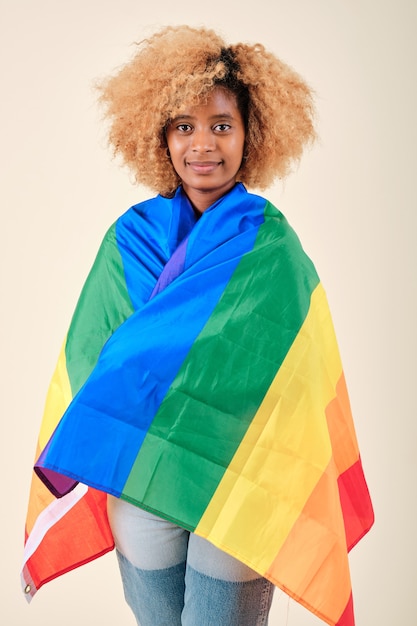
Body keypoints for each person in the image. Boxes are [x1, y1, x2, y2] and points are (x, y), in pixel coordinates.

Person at [22, 25, 374, 626]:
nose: (203, 144)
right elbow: (93, 361)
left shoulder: (271, 245)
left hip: (241, 480)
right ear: (160, 136)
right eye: (184, 126)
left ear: (250, 135)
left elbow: (297, 377)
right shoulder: (129, 239)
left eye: (221, 125)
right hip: (143, 479)